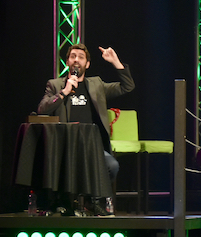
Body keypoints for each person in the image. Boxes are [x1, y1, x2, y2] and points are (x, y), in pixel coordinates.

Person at [37, 43, 135, 217]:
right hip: (64, 146)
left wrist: (116, 63)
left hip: (92, 145)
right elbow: (42, 109)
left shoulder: (97, 85)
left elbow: (127, 87)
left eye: (81, 57)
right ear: (67, 61)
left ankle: (92, 200)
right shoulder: (55, 84)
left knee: (111, 166)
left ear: (87, 64)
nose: (76, 60)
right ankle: (64, 201)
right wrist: (64, 92)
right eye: (73, 56)